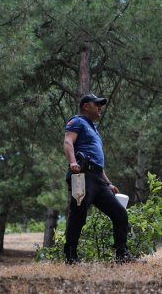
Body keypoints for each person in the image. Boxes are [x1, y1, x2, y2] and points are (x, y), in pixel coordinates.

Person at [62, 93, 132, 264]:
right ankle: (71, 257)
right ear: (86, 106)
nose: (100, 107)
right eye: (97, 104)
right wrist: (72, 163)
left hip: (97, 179)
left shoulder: (94, 129)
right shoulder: (77, 121)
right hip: (81, 176)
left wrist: (108, 183)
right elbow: (68, 142)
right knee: (78, 215)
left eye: (100, 105)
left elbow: (97, 162)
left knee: (120, 213)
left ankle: (122, 255)